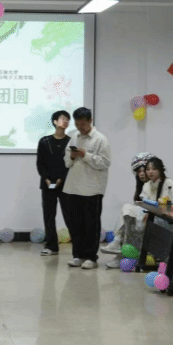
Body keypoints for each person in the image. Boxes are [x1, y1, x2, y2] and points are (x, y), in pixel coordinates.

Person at [61, 107, 111, 270]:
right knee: (75, 224)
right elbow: (66, 162)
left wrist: (85, 155)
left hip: (92, 189)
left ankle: (91, 257)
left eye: (83, 124)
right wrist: (71, 156)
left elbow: (105, 163)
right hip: (72, 187)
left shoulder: (100, 139)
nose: (80, 127)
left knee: (91, 225)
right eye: (77, 124)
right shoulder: (74, 137)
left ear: (90, 121)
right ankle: (77, 255)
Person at [102, 153, 153, 265]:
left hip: (155, 219)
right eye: (138, 172)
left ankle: (118, 244)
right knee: (128, 219)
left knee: (127, 210)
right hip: (143, 218)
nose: (141, 174)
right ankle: (121, 254)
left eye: (143, 170)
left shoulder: (157, 183)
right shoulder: (142, 187)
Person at [36, 110, 70, 256]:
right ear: (55, 121)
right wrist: (46, 178)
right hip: (48, 184)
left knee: (70, 215)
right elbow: (40, 162)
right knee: (49, 215)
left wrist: (62, 178)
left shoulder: (71, 141)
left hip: (66, 184)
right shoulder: (44, 141)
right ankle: (51, 246)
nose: (65, 121)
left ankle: (78, 246)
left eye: (67, 119)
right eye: (62, 119)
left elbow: (70, 164)